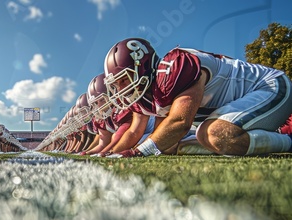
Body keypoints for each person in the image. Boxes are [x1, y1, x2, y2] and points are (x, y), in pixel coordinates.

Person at [103, 38, 292, 157]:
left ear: (142, 68)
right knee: (172, 145)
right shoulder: (149, 95)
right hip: (245, 102)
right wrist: (112, 154)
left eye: (123, 80)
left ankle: (288, 141)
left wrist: (139, 151)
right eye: (116, 84)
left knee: (215, 134)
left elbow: (180, 122)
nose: (121, 89)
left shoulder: (174, 67)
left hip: (271, 87)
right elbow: (165, 138)